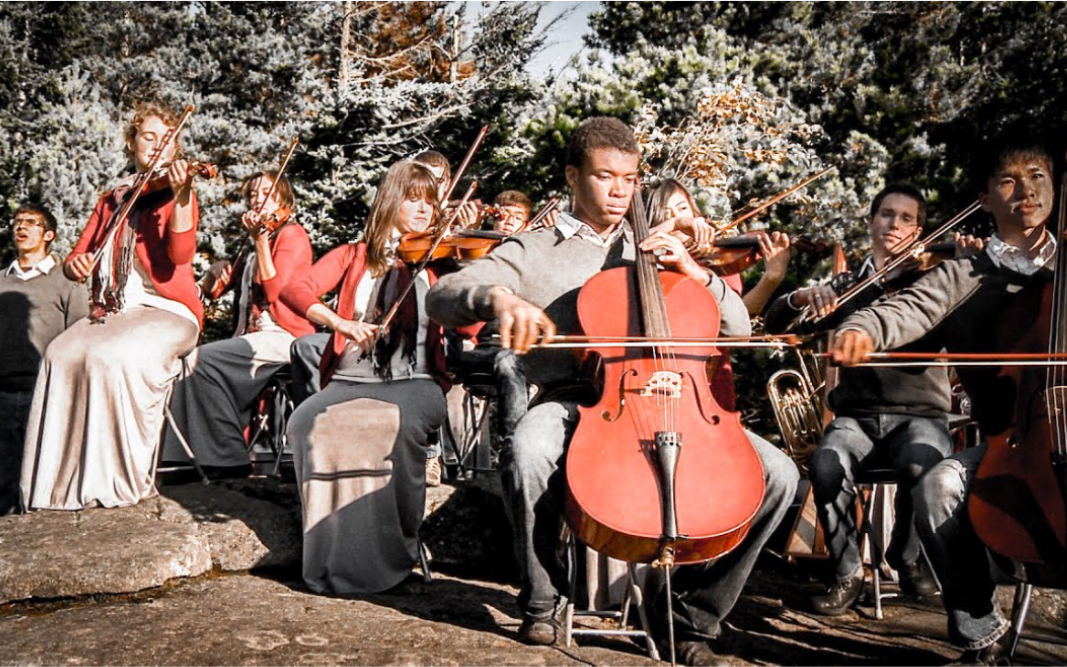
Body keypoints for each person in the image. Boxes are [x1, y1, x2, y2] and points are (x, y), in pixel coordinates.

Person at [426, 117, 799, 664]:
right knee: (528, 452)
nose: (621, 190)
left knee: (781, 477)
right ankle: (543, 600)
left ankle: (693, 616)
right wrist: (499, 300)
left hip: (672, 398)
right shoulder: (533, 248)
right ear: (573, 177)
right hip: (577, 399)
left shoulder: (654, 244)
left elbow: (737, 329)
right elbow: (446, 296)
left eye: (630, 178)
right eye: (606, 177)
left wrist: (694, 270)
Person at [831, 137, 1057, 662]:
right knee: (938, 486)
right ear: (985, 198)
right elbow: (904, 309)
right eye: (1009, 179)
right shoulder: (962, 274)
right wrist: (863, 326)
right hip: (1014, 441)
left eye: (1038, 176)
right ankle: (981, 629)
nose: (1025, 190)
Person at [764, 183, 952, 614]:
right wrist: (799, 297)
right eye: (887, 214)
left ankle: (905, 558)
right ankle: (847, 573)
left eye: (907, 219)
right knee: (827, 463)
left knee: (923, 463)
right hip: (857, 418)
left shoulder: (934, 284)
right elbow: (778, 324)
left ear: (919, 232)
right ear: (871, 222)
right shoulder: (847, 285)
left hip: (920, 415)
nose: (895, 225)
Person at [280, 160, 454, 594]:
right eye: (413, 200)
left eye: (430, 202)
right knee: (306, 423)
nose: (424, 211)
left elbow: (467, 317)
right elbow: (293, 289)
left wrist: (460, 278)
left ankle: (397, 551)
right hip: (350, 381)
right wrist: (337, 324)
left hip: (415, 381)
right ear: (391, 200)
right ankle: (329, 555)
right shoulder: (354, 255)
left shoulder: (435, 260)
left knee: (388, 425)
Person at [20, 101, 202, 511]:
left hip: (168, 310)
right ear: (133, 142)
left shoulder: (176, 191)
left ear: (176, 148)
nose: (158, 146)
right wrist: (77, 263)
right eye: (149, 136)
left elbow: (180, 254)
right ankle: (56, 489)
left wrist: (185, 195)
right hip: (115, 309)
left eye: (166, 139)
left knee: (110, 357)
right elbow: (75, 260)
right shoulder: (112, 199)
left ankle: (119, 482)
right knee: (59, 354)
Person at [160, 171, 313, 472]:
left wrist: (261, 242)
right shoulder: (254, 239)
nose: (257, 198)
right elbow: (217, 290)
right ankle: (182, 458)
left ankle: (228, 456)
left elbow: (271, 289)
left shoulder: (291, 234)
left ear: (283, 197)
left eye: (266, 192)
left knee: (203, 361)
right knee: (185, 362)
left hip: (285, 336)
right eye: (253, 193)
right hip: (253, 337)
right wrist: (213, 272)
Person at [0, 204, 87, 514]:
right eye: (17, 222)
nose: (20, 227)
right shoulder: (0, 281)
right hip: (2, 394)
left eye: (31, 223)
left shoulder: (68, 282)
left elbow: (79, 339)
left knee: (43, 482)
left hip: (47, 394)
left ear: (48, 234)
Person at [644, 177, 792, 317]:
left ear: (694, 211)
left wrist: (771, 278)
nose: (679, 218)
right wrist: (673, 223)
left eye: (682, 209)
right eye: (666, 214)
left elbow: (739, 319)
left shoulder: (718, 259)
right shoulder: (644, 257)